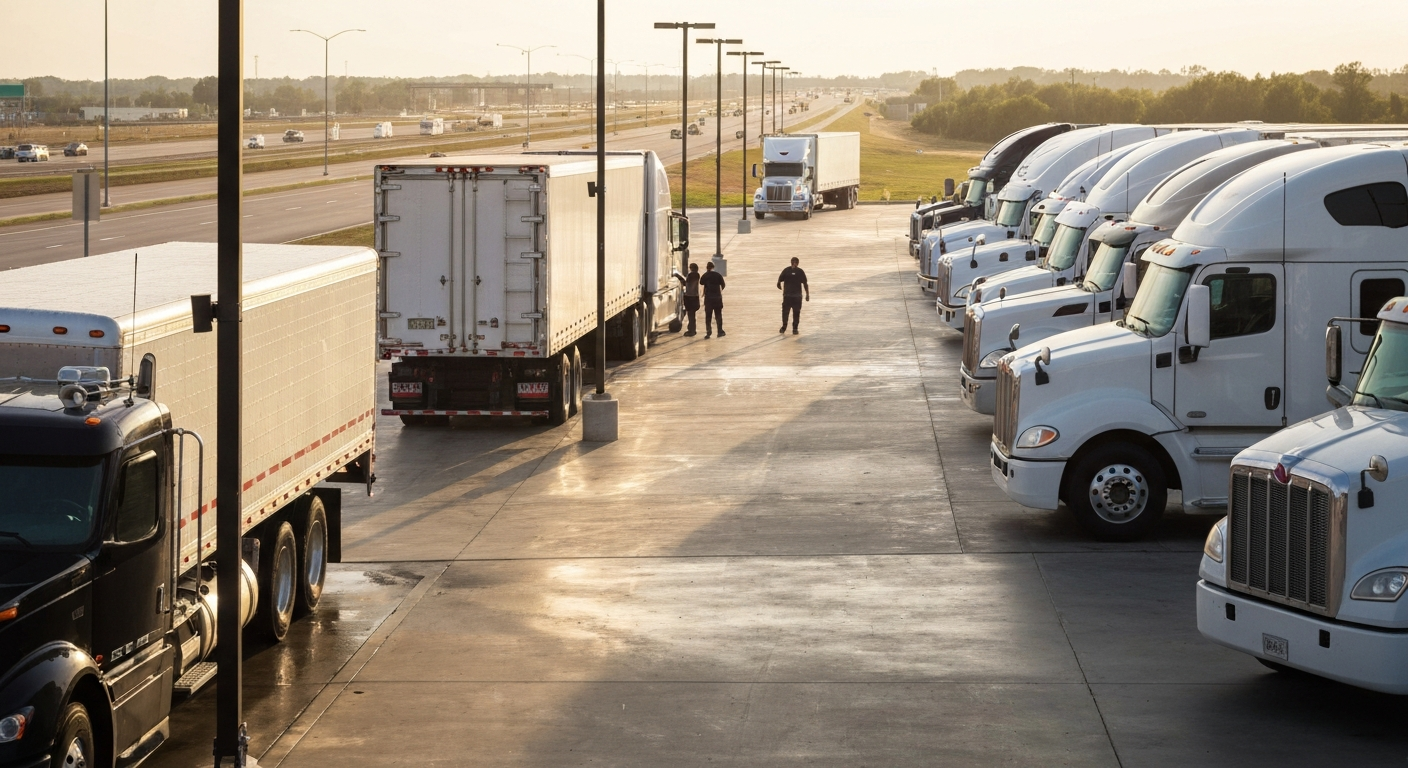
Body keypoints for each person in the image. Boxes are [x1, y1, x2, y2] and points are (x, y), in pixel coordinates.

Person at [777, 256, 809, 334]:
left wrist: (807, 294)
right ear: (791, 262)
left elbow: (805, 283)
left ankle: (795, 328)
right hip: (788, 296)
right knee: (785, 312)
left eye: (796, 262)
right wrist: (779, 284)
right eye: (793, 262)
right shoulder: (786, 270)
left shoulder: (800, 272)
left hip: (796, 297)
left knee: (796, 313)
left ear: (798, 263)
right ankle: (784, 326)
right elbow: (779, 279)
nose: (794, 263)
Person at [700, 261, 726, 338]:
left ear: (707, 267)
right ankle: (720, 331)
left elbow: (701, 283)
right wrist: (718, 291)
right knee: (718, 315)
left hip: (708, 299)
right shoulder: (718, 275)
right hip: (717, 298)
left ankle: (708, 332)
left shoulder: (705, 275)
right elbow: (723, 285)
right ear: (713, 267)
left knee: (708, 316)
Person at [677, 263, 701, 336]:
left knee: (691, 314)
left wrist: (679, 277)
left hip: (690, 297)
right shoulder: (697, 275)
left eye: (690, 267)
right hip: (695, 296)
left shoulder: (692, 275)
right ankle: (691, 329)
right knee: (692, 315)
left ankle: (691, 330)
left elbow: (686, 283)